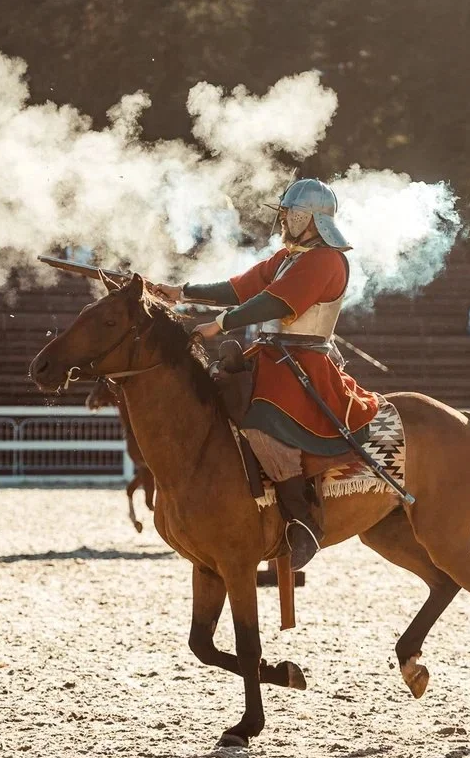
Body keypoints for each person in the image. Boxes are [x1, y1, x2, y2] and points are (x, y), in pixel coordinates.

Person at [151, 178, 381, 570]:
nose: (284, 222)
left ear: (311, 218)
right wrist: (181, 291)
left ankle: (301, 521)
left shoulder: (325, 260)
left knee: (261, 422)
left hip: (303, 365)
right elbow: (241, 288)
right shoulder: (288, 256)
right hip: (271, 357)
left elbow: (274, 302)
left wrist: (217, 325)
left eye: (291, 214)